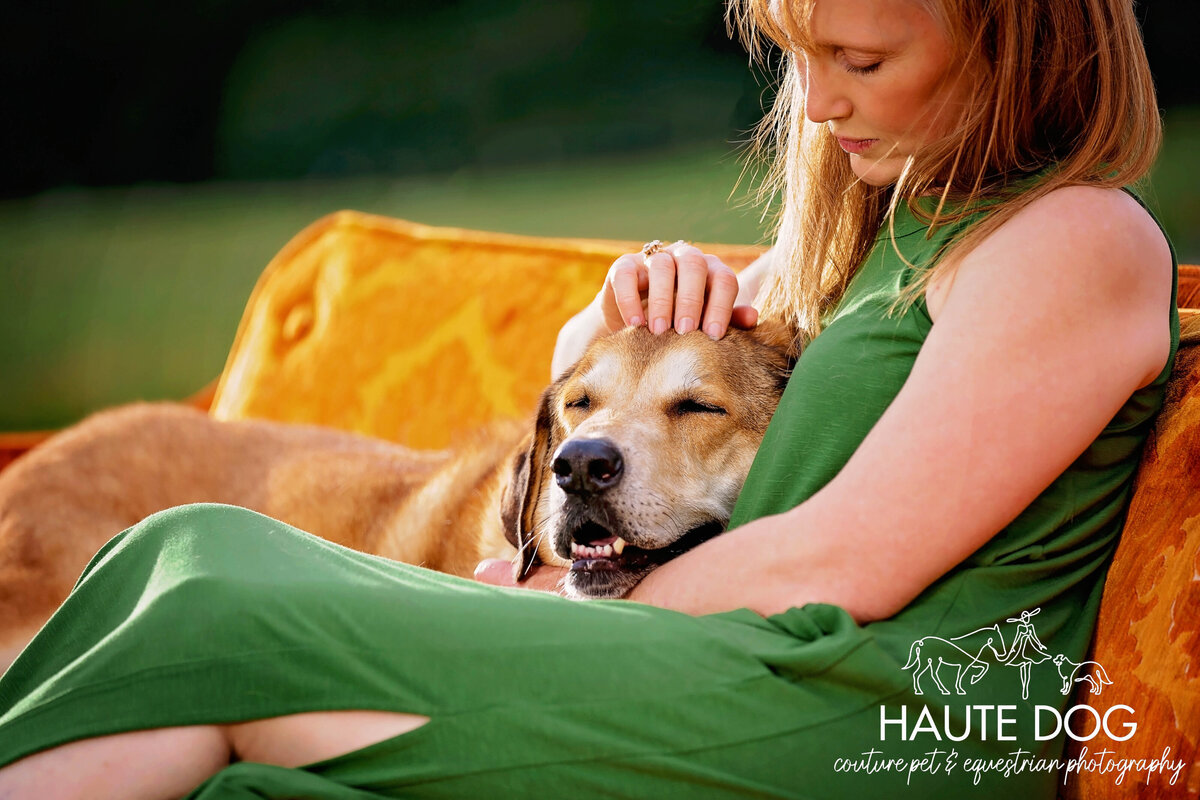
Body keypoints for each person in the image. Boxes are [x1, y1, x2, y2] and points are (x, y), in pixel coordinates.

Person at [0, 0, 1178, 797]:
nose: (817, 105)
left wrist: (539, 606)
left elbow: (840, 565)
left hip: (872, 718)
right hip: (745, 666)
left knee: (224, 597)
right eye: (799, 57)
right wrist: (618, 306)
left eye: (860, 62)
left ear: (1011, 37)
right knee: (203, 573)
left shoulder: (1071, 236)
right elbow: (601, 394)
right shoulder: (867, 239)